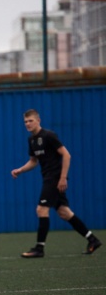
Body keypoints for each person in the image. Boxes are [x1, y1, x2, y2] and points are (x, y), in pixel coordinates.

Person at [11, 109, 101, 258]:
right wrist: (20, 170)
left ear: (38, 121)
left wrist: (63, 178)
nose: (27, 124)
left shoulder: (49, 136)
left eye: (30, 121)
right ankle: (92, 240)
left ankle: (39, 248)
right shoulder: (31, 140)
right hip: (48, 178)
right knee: (64, 212)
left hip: (55, 178)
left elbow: (66, 155)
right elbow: (33, 161)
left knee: (41, 210)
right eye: (25, 121)